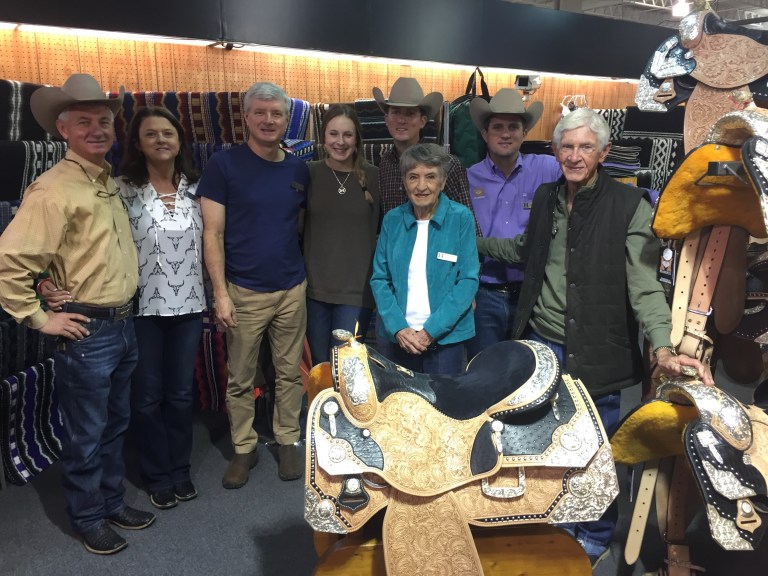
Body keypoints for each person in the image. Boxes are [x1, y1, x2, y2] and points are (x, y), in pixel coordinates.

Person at [476, 107, 713, 566]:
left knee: (596, 446)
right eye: (567, 146)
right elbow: (526, 251)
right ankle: (559, 520)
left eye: (586, 147)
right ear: (554, 150)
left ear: (604, 152)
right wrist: (474, 240)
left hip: (599, 348)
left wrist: (662, 345)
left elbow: (644, 284)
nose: (575, 155)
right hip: (545, 341)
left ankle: (597, 531)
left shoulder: (630, 206)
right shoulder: (546, 197)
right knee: (547, 439)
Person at [0, 74, 155, 555]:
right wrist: (40, 316)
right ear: (62, 130)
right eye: (84, 122)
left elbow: (64, 254)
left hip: (123, 324)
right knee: (87, 431)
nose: (96, 130)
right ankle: (88, 515)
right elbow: (9, 262)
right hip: (88, 330)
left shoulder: (104, 182)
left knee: (113, 424)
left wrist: (48, 280)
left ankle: (109, 501)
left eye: (104, 122)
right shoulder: (53, 189)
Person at [45, 107, 206, 510]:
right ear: (136, 143)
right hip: (141, 308)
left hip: (188, 305)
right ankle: (157, 475)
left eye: (168, 133)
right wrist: (47, 282)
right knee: (148, 397)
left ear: (180, 139)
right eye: (150, 134)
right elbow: (82, 240)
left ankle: (180, 469)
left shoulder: (197, 189)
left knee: (182, 394)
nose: (161, 140)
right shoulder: (119, 188)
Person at [198, 81, 309, 488]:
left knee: (289, 373)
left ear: (286, 119)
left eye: (276, 113)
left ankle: (287, 439)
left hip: (291, 287)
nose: (268, 120)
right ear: (245, 117)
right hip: (243, 290)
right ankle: (243, 447)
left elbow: (298, 223)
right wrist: (221, 294)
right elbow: (211, 234)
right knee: (241, 377)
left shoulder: (298, 167)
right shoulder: (223, 165)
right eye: (260, 112)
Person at [465, 88, 561, 361]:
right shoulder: (467, 178)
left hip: (533, 294)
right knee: (483, 370)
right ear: (485, 134)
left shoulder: (548, 168)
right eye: (497, 127)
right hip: (484, 294)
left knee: (530, 372)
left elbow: (590, 174)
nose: (505, 134)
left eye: (513, 127)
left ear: (524, 132)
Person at [370, 143, 479, 374]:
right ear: (404, 181)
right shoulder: (392, 220)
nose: (421, 186)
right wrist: (399, 328)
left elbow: (468, 281)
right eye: (413, 177)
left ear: (443, 182)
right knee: (399, 406)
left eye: (430, 177)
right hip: (398, 339)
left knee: (443, 407)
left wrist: (430, 331)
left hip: (447, 342)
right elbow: (380, 279)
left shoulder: (461, 218)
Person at [303, 104, 380, 364]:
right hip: (314, 291)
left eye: (347, 135)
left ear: (357, 138)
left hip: (356, 294)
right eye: (333, 134)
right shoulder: (309, 173)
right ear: (323, 137)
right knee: (319, 368)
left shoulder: (375, 177)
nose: (340, 141)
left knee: (347, 370)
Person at [372, 77, 479, 230]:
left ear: (422, 121)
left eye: (410, 113)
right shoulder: (385, 164)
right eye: (395, 112)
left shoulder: (447, 164)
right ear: (386, 119)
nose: (401, 120)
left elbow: (467, 224)